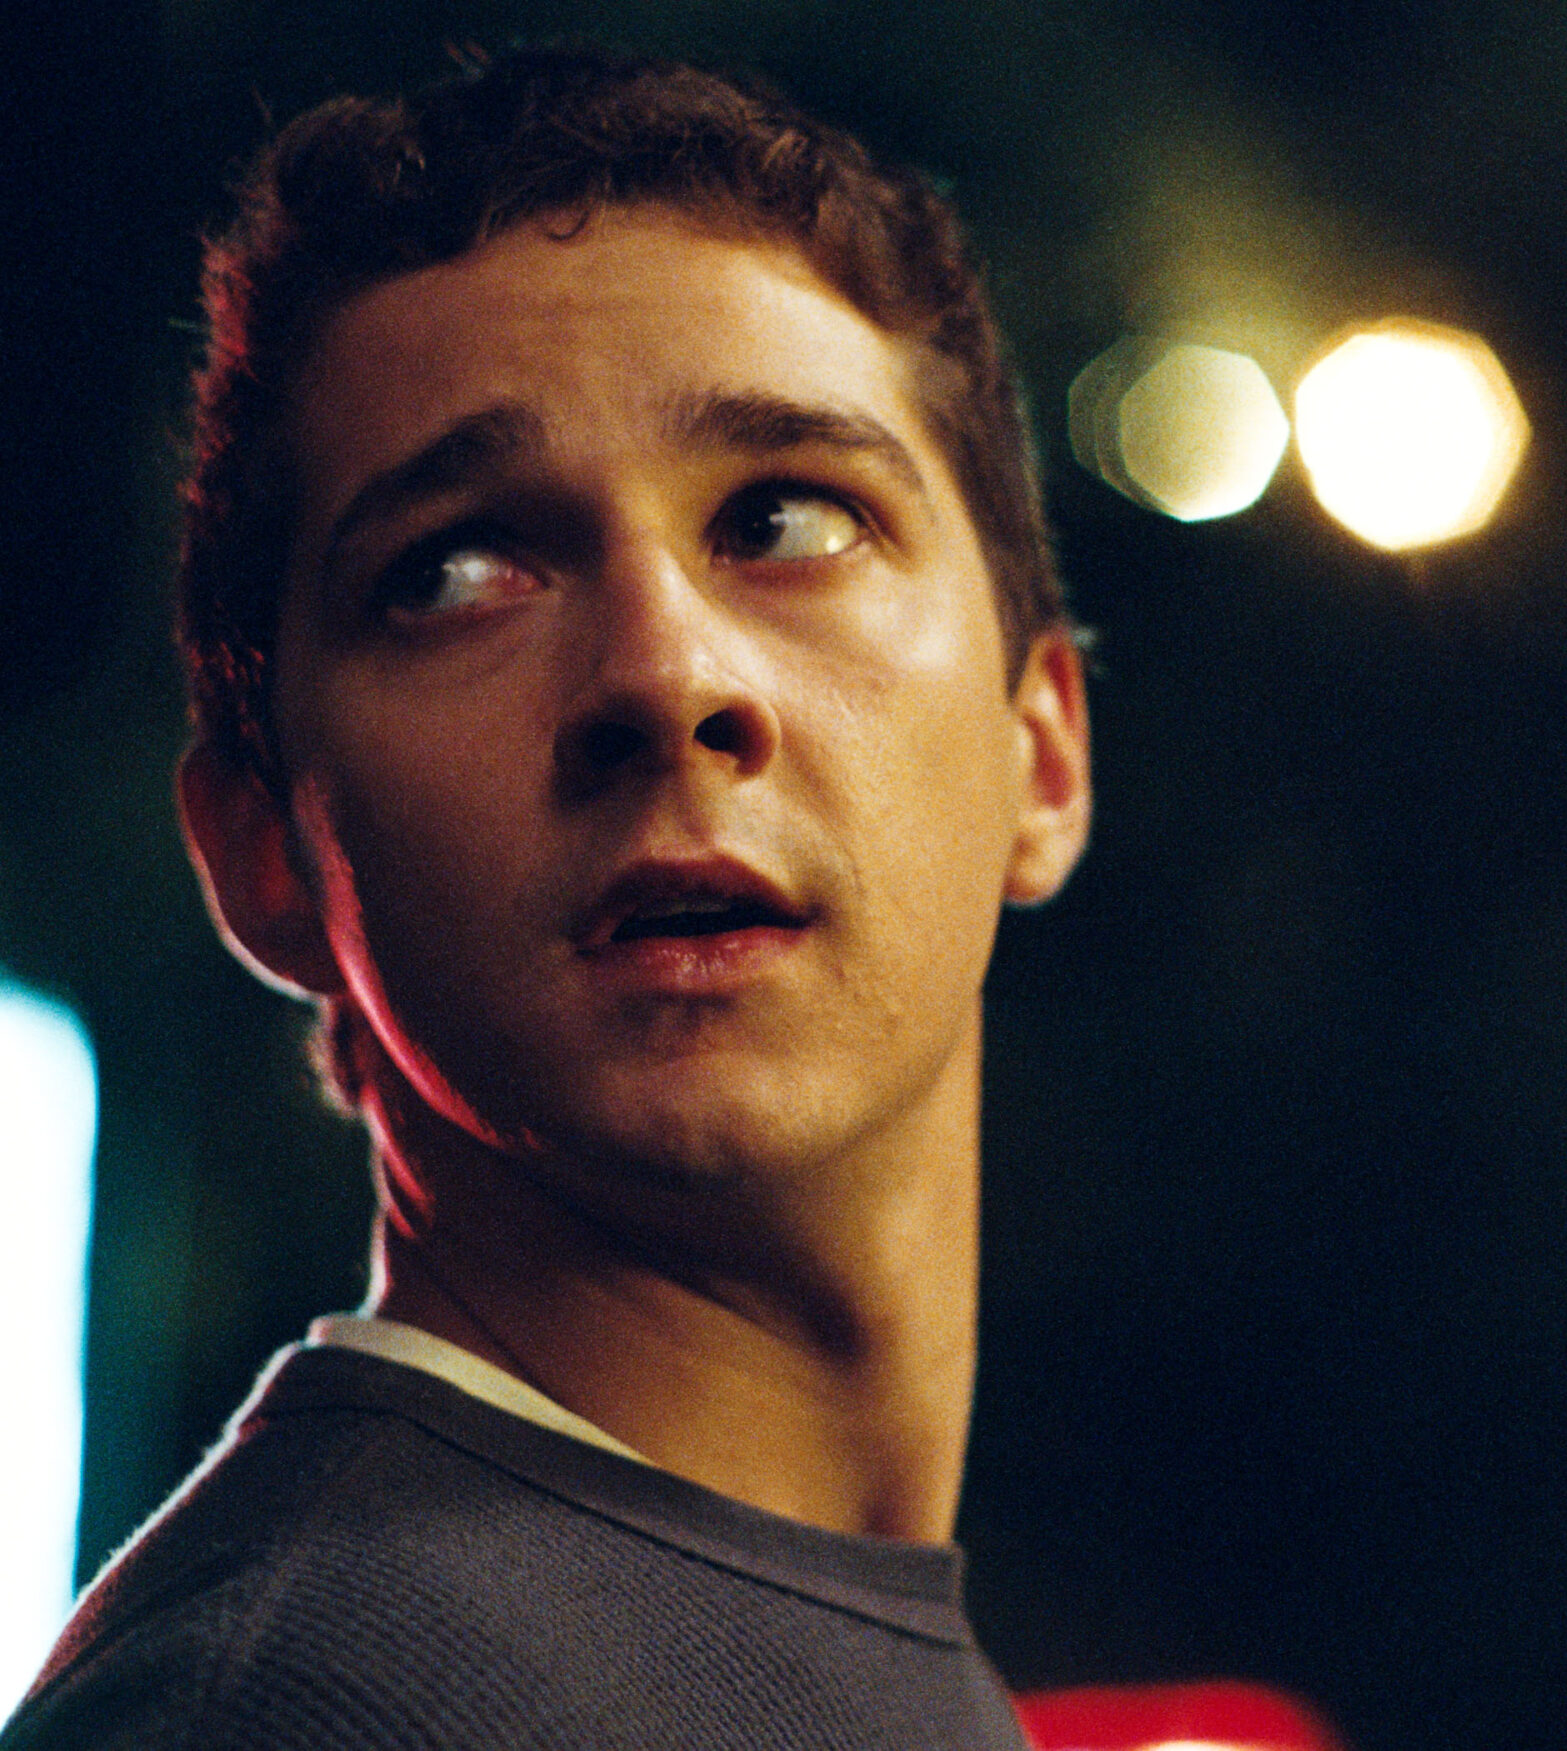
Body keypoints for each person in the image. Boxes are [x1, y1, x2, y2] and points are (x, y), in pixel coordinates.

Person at [2, 44, 1091, 1750]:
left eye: (785, 519)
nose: (664, 673)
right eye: (456, 571)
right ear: (265, 853)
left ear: (1045, 755)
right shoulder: (294, 1706)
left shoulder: (856, 1659)